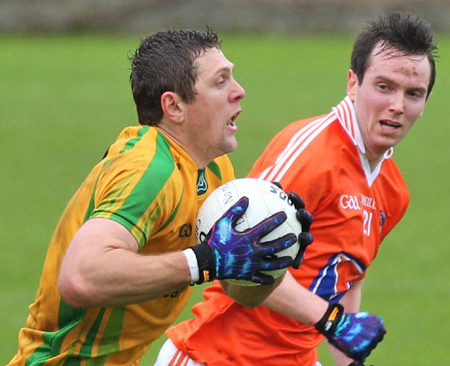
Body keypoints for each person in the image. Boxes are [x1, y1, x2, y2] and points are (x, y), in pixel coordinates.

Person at [9, 29, 313, 365]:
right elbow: (80, 277)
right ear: (174, 106)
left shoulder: (215, 171)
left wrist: (271, 259)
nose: (239, 91)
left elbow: (238, 292)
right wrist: (203, 261)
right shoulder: (149, 168)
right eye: (220, 81)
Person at [156, 12, 438, 366]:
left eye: (413, 93)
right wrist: (333, 322)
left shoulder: (393, 190)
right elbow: (240, 264)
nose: (397, 106)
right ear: (353, 83)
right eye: (384, 87)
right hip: (218, 354)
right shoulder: (312, 153)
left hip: (295, 358)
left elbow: (347, 279)